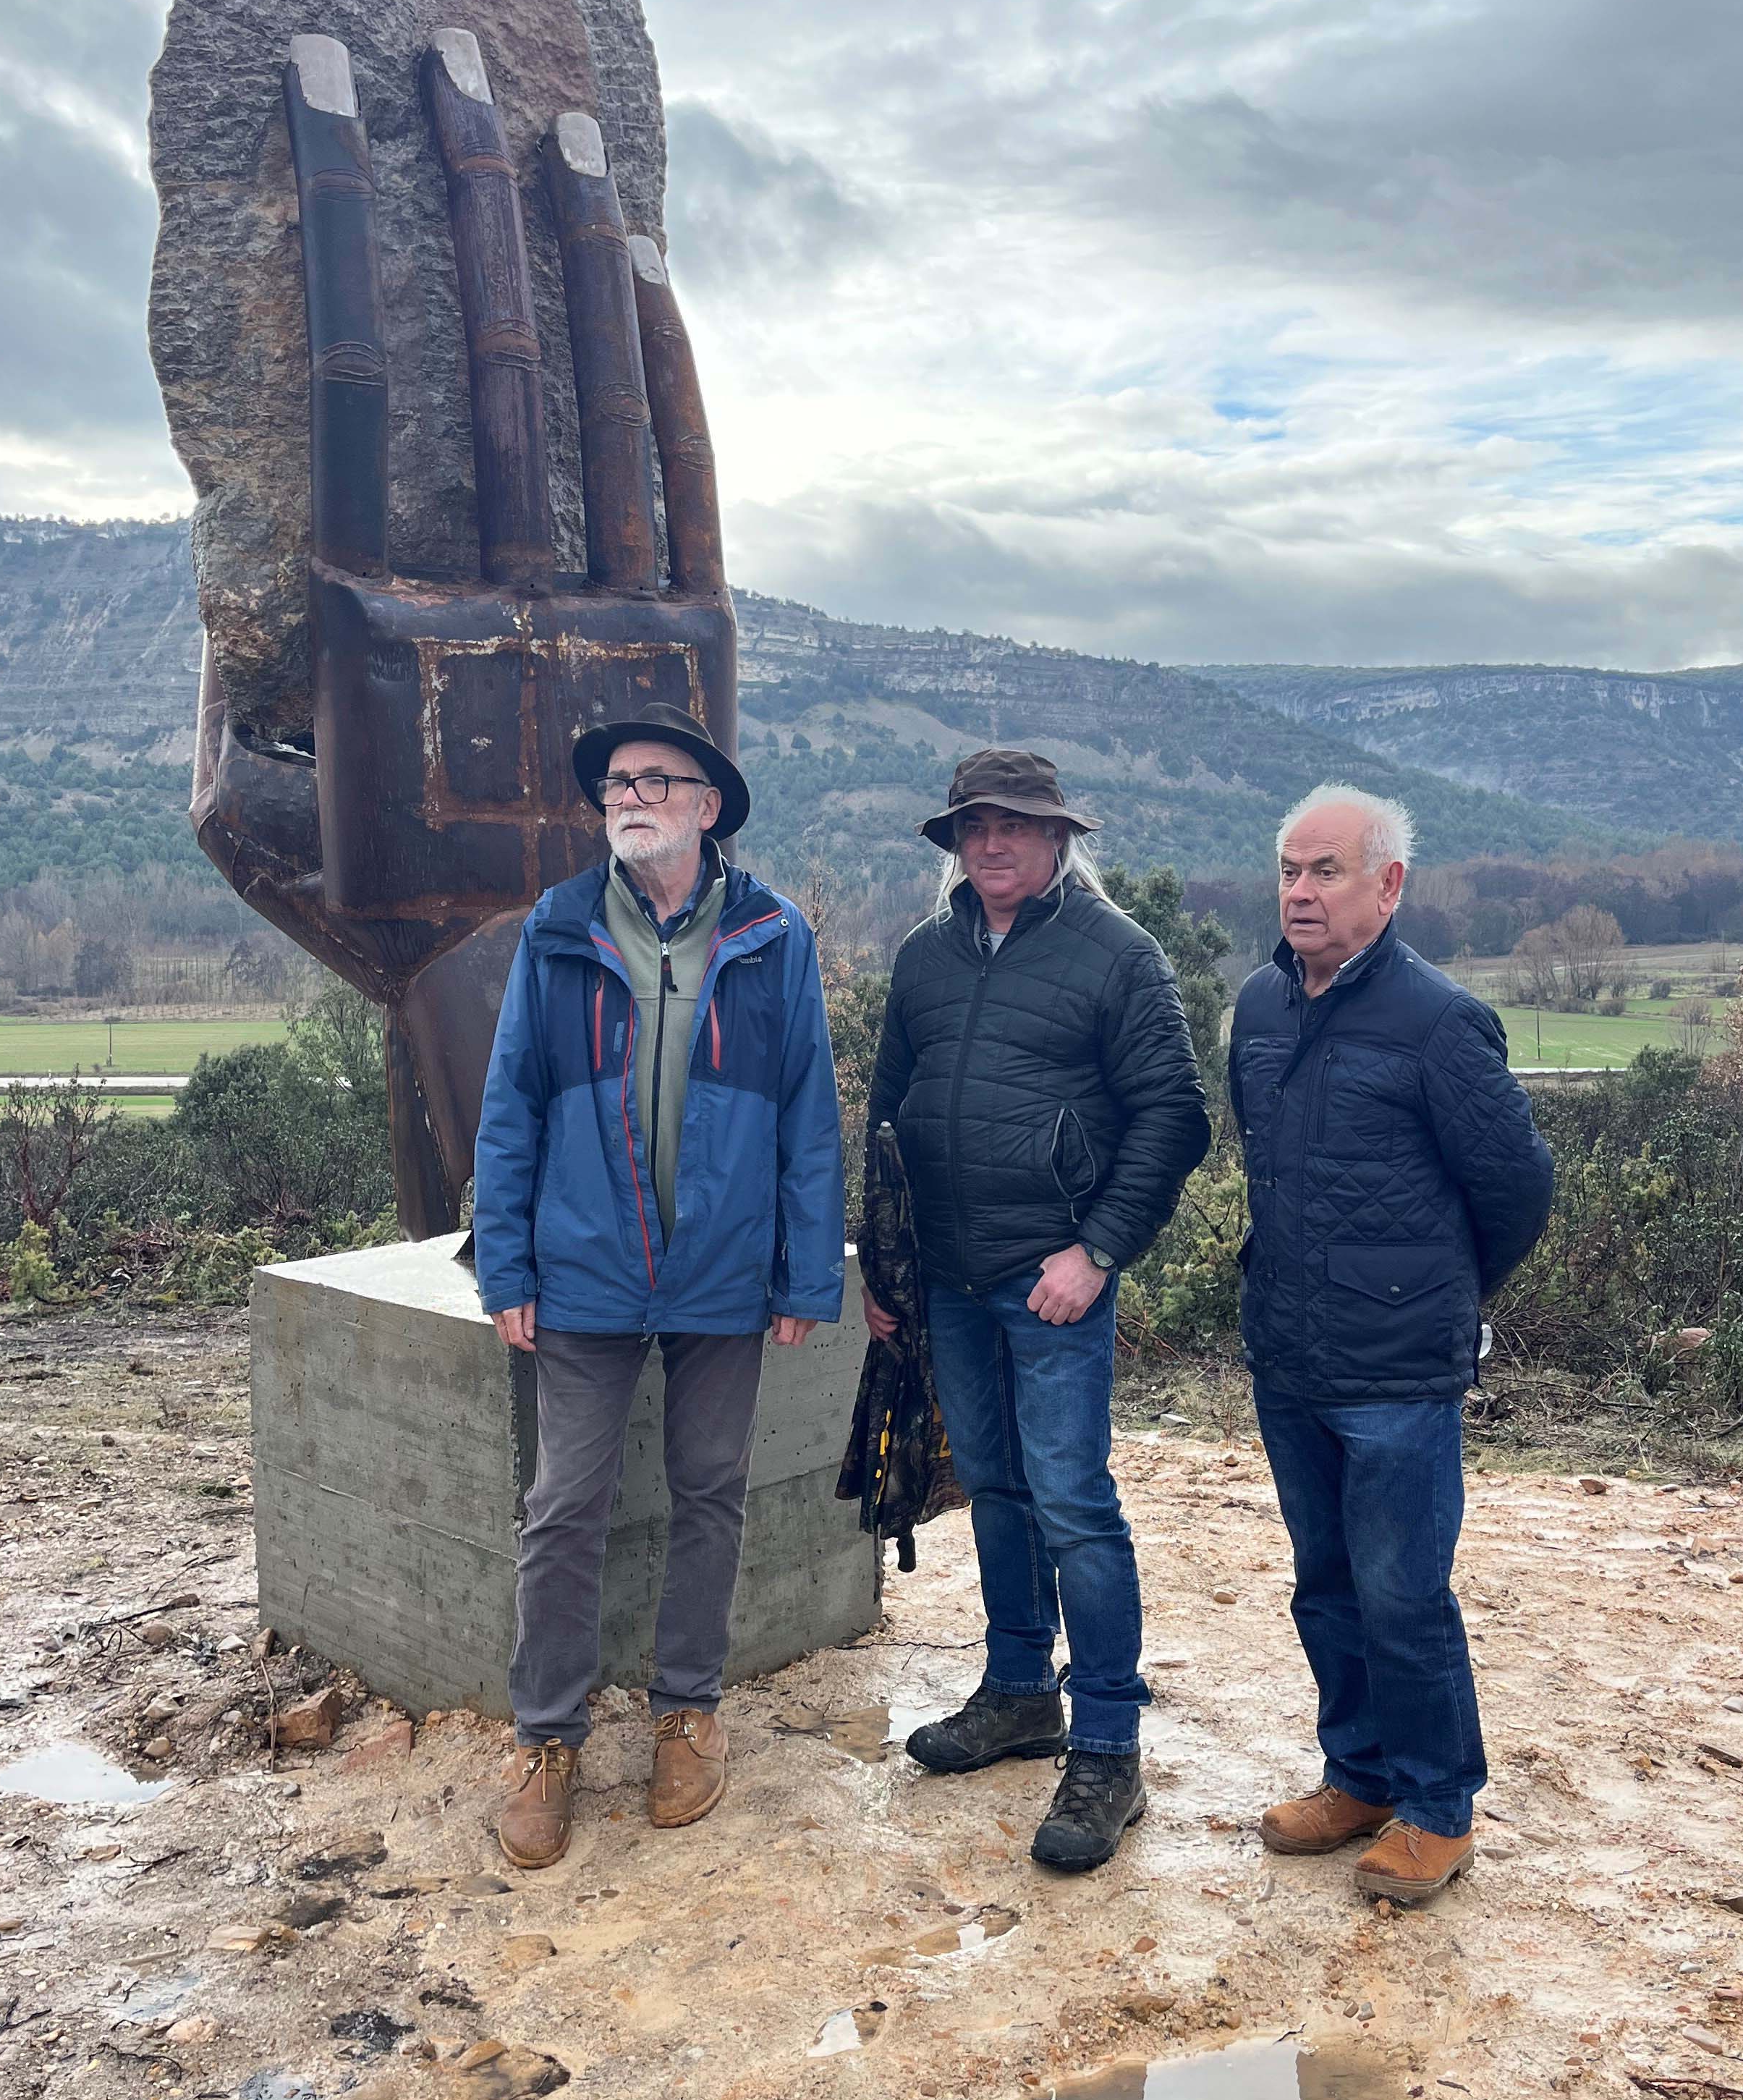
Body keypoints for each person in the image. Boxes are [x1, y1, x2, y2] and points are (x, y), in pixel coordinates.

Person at [472, 705, 844, 1868]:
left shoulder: (776, 936)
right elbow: (512, 1101)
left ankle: (688, 1709)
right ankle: (548, 1738)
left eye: (651, 782)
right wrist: (506, 1259)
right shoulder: (559, 927)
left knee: (711, 1489)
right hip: (583, 1267)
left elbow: (809, 1116)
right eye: (614, 786)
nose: (625, 799)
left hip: (724, 1273)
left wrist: (805, 1266)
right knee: (565, 1504)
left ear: (707, 806)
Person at [863, 750, 1211, 1871]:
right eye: (976, 826)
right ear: (956, 842)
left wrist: (1098, 1250)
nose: (994, 844)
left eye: (1017, 825)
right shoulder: (924, 958)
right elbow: (888, 1111)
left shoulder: (1119, 955)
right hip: (953, 1283)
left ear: (1061, 839)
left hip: (1051, 1286)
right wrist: (887, 1266)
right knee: (1000, 1489)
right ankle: (1020, 1691)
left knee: (1074, 1503)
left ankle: (1108, 1743)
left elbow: (1174, 1116)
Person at [1231, 783, 1553, 1909]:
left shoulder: (1439, 1021)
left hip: (1399, 1374)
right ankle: (1359, 1777)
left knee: (1404, 1593)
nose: (1301, 891)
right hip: (1290, 1354)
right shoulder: (1261, 1010)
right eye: (1289, 870)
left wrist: (1437, 1294)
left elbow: (1517, 1189)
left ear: (1389, 885)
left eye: (1326, 871)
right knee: (1324, 1586)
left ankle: (1436, 1806)